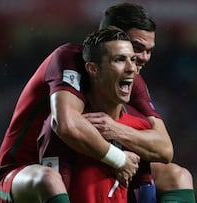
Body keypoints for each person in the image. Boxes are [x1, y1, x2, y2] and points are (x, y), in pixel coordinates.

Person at [0, 2, 195, 203]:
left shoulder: (132, 78)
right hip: (26, 172)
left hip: (86, 161)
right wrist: (119, 159)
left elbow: (164, 148)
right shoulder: (69, 59)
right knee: (48, 179)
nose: (143, 58)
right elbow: (64, 125)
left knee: (177, 176)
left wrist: (114, 129)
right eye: (137, 47)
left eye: (149, 50)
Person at [39, 26, 154, 203]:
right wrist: (118, 159)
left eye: (132, 59)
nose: (132, 68)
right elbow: (54, 185)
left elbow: (145, 190)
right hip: (13, 177)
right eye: (119, 60)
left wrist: (117, 132)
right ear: (93, 69)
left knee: (178, 174)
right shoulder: (69, 128)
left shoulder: (139, 128)